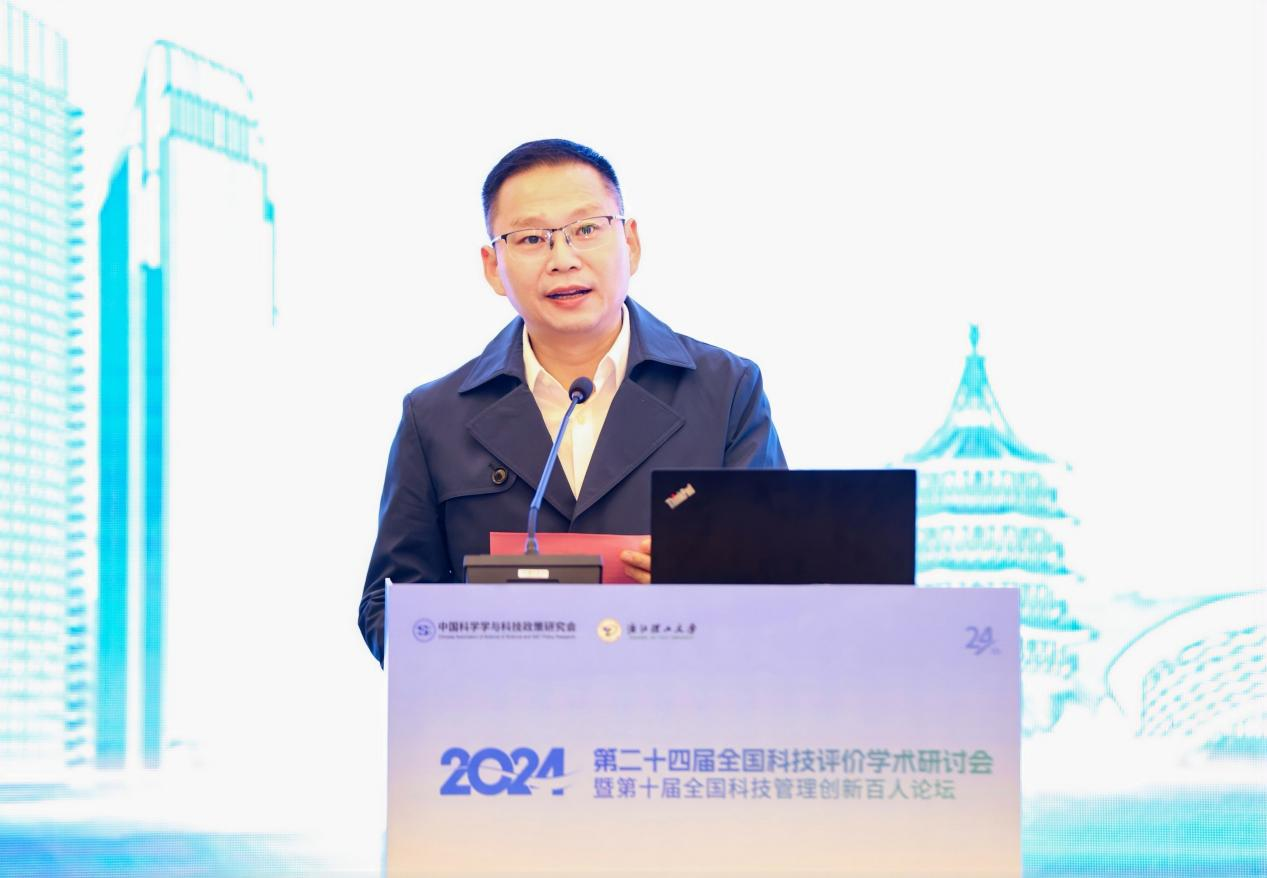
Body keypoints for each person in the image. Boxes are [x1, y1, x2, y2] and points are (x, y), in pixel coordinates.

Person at [358, 139, 785, 664]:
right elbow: (388, 605)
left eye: (586, 229)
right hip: (507, 710)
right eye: (531, 238)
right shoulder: (435, 416)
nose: (563, 260)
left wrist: (704, 581)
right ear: (493, 266)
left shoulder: (727, 390)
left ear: (630, 241)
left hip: (678, 702)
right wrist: (470, 640)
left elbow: (780, 578)